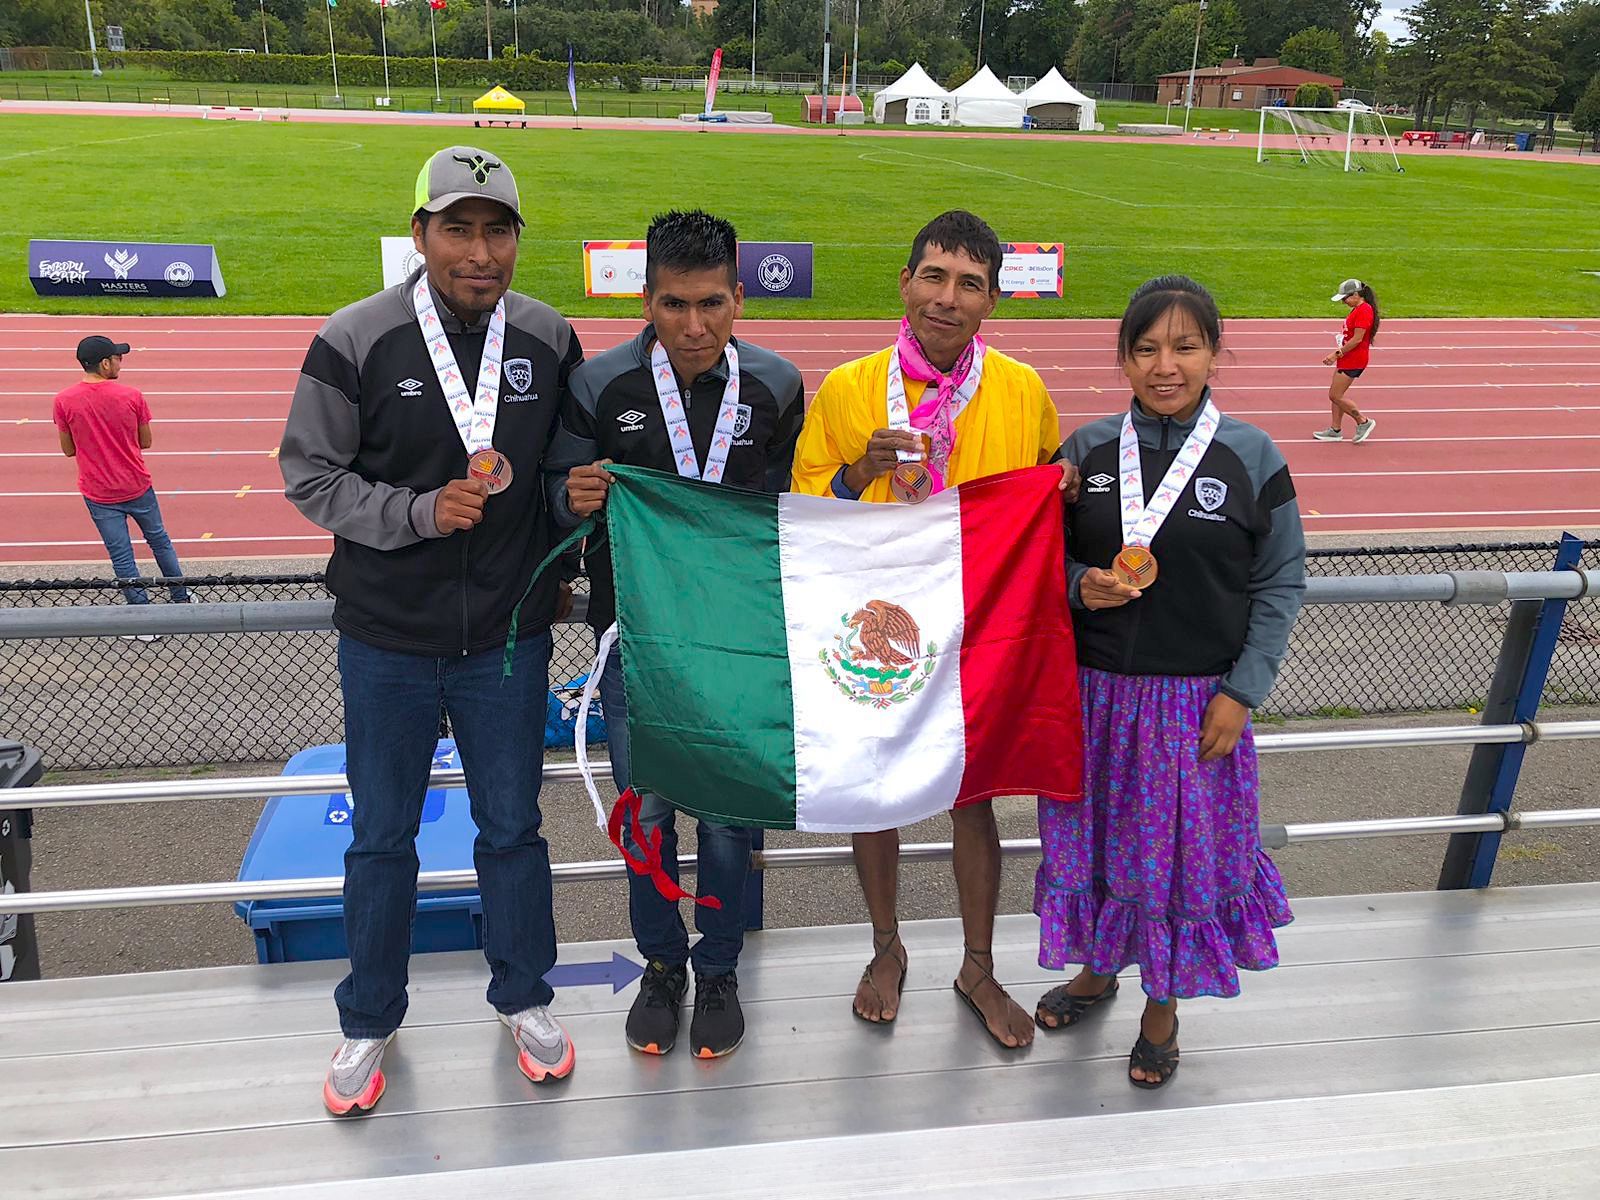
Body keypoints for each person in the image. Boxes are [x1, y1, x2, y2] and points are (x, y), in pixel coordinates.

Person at [280, 145, 583, 1116]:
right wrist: (414, 514)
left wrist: (571, 502)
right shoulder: (354, 337)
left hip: (506, 640)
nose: (480, 250)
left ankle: (525, 997)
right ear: (420, 236)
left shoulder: (548, 337)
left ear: (516, 241)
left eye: (498, 230)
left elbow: (547, 479)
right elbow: (309, 475)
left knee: (513, 830)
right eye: (458, 227)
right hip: (387, 640)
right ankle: (368, 1016)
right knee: (381, 837)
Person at [790, 209, 1076, 1049]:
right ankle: (887, 947)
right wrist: (858, 472)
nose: (947, 299)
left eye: (970, 285)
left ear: (993, 301)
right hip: (878, 629)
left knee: (973, 798)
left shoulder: (1022, 391)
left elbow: (1044, 498)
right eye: (934, 277)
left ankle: (979, 963)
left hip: (977, 631)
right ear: (905, 282)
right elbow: (805, 515)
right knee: (874, 794)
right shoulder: (848, 388)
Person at [1033, 275, 1304, 1089]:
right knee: (1097, 849)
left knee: (1173, 864)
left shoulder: (1254, 458)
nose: (1165, 365)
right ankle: (1096, 972)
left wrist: (1242, 690)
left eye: (1185, 346)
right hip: (1092, 699)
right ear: (1122, 357)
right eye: (1147, 348)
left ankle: (1162, 1007)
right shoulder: (1082, 453)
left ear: (1215, 353)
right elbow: (1036, 562)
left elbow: (1281, 582)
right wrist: (1081, 580)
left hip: (1195, 706)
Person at [546, 210, 804, 1060]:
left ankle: (718, 966)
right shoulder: (599, 388)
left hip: (740, 648)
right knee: (646, 815)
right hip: (638, 644)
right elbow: (559, 506)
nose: (693, 327)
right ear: (645, 298)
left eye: (711, 304)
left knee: (730, 820)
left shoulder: (776, 385)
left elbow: (790, 515)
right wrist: (569, 499)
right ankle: (662, 965)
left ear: (738, 297)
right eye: (672, 305)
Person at [53, 336, 191, 613]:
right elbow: (146, 441)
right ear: (105, 364)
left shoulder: (63, 401)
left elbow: (68, 449)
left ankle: (140, 615)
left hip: (98, 491)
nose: (120, 363)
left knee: (121, 555)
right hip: (136, 484)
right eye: (118, 359)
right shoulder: (132, 396)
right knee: (160, 542)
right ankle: (181, 598)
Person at [1313, 278, 1380, 443]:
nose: (1344, 302)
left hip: (1353, 359)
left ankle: (1363, 421)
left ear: (1356, 295)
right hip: (1347, 358)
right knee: (1337, 394)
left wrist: (1336, 354)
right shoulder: (1358, 309)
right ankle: (1335, 430)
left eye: (1345, 298)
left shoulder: (1364, 310)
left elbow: (1357, 339)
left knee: (1335, 395)